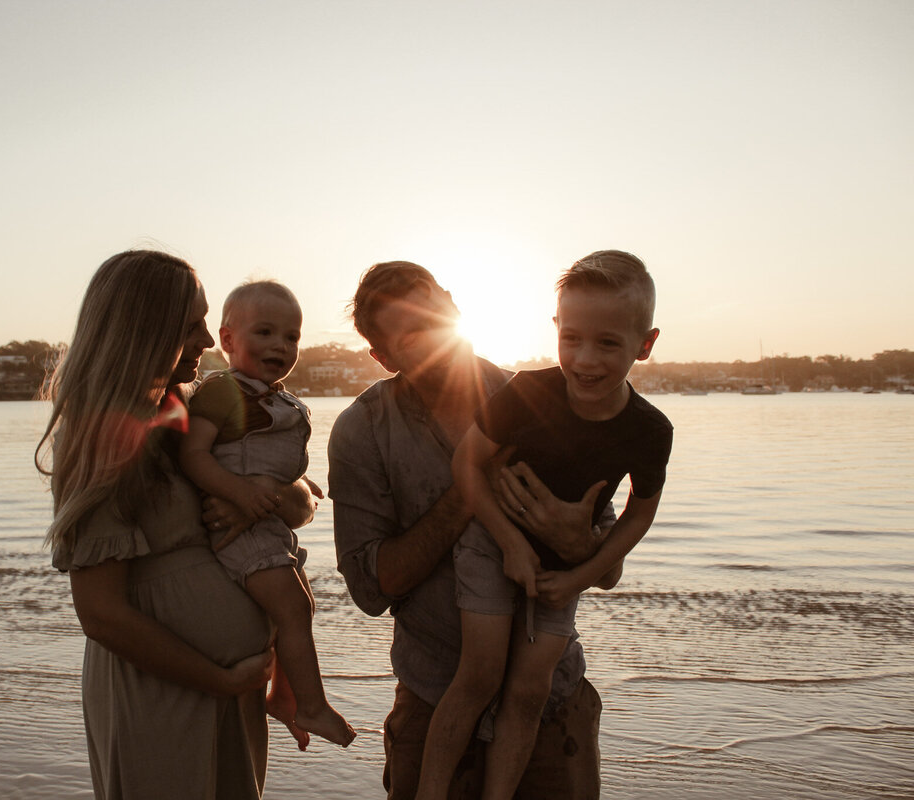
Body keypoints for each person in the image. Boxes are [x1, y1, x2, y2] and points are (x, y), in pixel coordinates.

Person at [330, 260, 622, 800]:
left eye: (437, 311)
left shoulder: (546, 402)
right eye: (413, 333)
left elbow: (608, 570)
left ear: (457, 309)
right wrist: (473, 486)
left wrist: (582, 545)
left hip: (551, 703)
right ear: (383, 356)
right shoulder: (362, 431)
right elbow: (371, 589)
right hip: (433, 698)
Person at [37, 250, 317, 799]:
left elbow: (307, 497)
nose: (209, 341)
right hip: (162, 687)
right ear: (146, 329)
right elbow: (102, 614)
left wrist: (261, 498)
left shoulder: (199, 409)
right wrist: (220, 678)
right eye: (191, 325)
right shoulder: (102, 437)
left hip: (230, 689)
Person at [417, 250, 674, 799]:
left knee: (530, 690)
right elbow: (468, 463)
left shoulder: (650, 430)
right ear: (556, 329)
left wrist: (583, 574)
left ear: (645, 345)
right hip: (492, 539)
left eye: (608, 343)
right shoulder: (529, 393)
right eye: (572, 338)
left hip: (569, 562)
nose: (585, 359)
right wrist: (510, 542)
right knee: (481, 674)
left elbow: (641, 509)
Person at [180, 280, 355, 749]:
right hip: (241, 529)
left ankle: (283, 696)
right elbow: (193, 456)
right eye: (265, 332)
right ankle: (312, 706)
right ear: (229, 339)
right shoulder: (221, 392)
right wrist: (238, 491)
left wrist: (294, 491)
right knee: (293, 607)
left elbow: (285, 474)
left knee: (297, 609)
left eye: (292, 336)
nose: (281, 345)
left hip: (269, 526)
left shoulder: (277, 398)